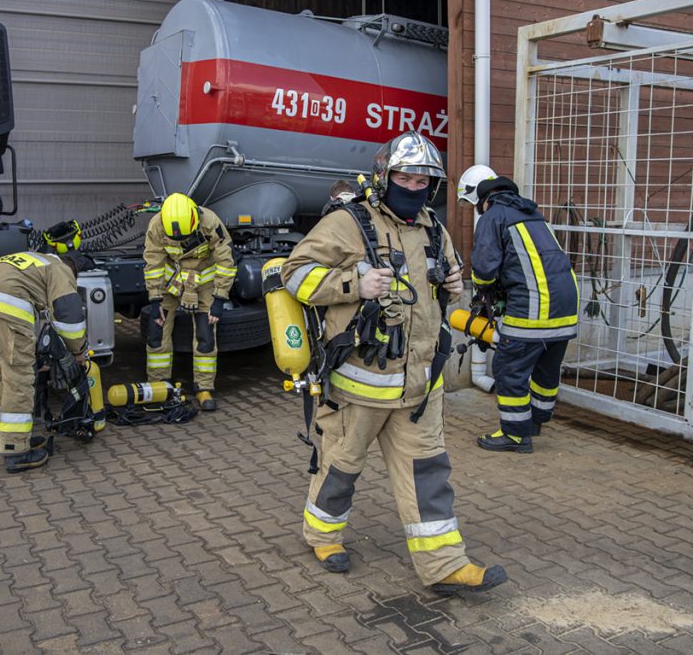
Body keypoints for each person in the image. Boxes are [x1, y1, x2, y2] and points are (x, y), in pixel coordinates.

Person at [281, 131, 507, 596]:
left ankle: (445, 565)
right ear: (385, 178)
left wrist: (453, 284)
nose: (414, 188)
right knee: (341, 466)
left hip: (420, 388)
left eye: (423, 181)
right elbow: (294, 273)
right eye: (405, 178)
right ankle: (322, 535)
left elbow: (442, 278)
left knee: (428, 475)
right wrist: (353, 284)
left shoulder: (432, 227)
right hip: (359, 388)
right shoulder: (348, 222)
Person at [458, 166, 579, 453]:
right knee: (546, 369)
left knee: (509, 368)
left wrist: (483, 291)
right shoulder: (532, 213)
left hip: (533, 309)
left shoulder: (493, 216)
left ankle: (515, 435)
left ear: (479, 197)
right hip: (566, 307)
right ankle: (534, 421)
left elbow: (484, 269)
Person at [0, 248, 87, 473]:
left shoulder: (37, 261)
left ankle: (10, 437)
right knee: (19, 377)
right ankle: (16, 452)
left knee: (1, 374)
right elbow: (68, 315)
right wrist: (78, 351)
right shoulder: (61, 270)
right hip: (7, 300)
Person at [143, 192, 237, 411]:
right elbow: (153, 263)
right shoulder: (157, 225)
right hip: (171, 282)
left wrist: (219, 298)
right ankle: (158, 386)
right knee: (157, 332)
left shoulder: (210, 222)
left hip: (203, 281)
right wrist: (155, 299)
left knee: (206, 333)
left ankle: (204, 387)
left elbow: (225, 260)